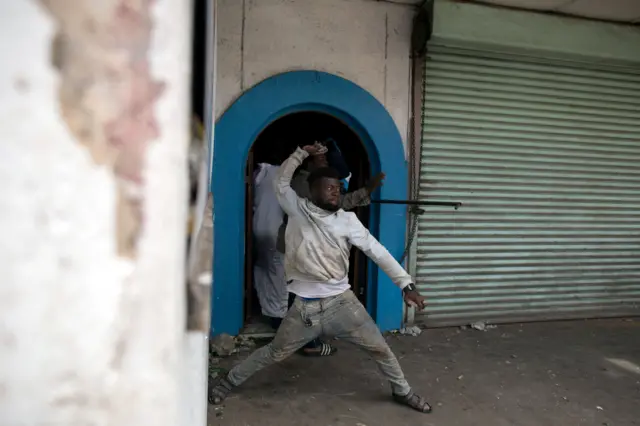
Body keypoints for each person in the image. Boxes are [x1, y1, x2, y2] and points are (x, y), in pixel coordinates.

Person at [209, 143, 432, 413]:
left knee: (380, 349)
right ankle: (229, 381)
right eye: (329, 187)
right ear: (312, 190)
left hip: (343, 303)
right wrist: (301, 153)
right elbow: (281, 182)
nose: (336, 191)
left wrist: (406, 285)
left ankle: (402, 391)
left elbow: (378, 252)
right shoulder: (296, 208)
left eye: (338, 187)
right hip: (305, 308)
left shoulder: (347, 220)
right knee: (274, 352)